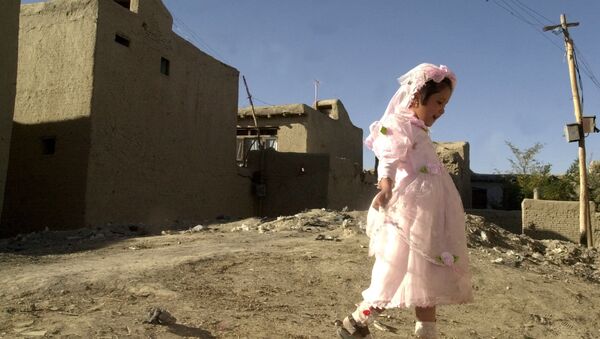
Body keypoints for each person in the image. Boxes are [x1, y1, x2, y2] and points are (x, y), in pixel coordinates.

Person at [336, 63, 473, 339]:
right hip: (410, 213)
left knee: (428, 276)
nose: (442, 110)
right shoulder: (397, 125)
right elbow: (387, 160)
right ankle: (357, 321)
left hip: (429, 217)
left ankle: (427, 333)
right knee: (394, 270)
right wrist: (385, 187)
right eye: (438, 101)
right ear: (416, 97)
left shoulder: (420, 130)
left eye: (445, 104)